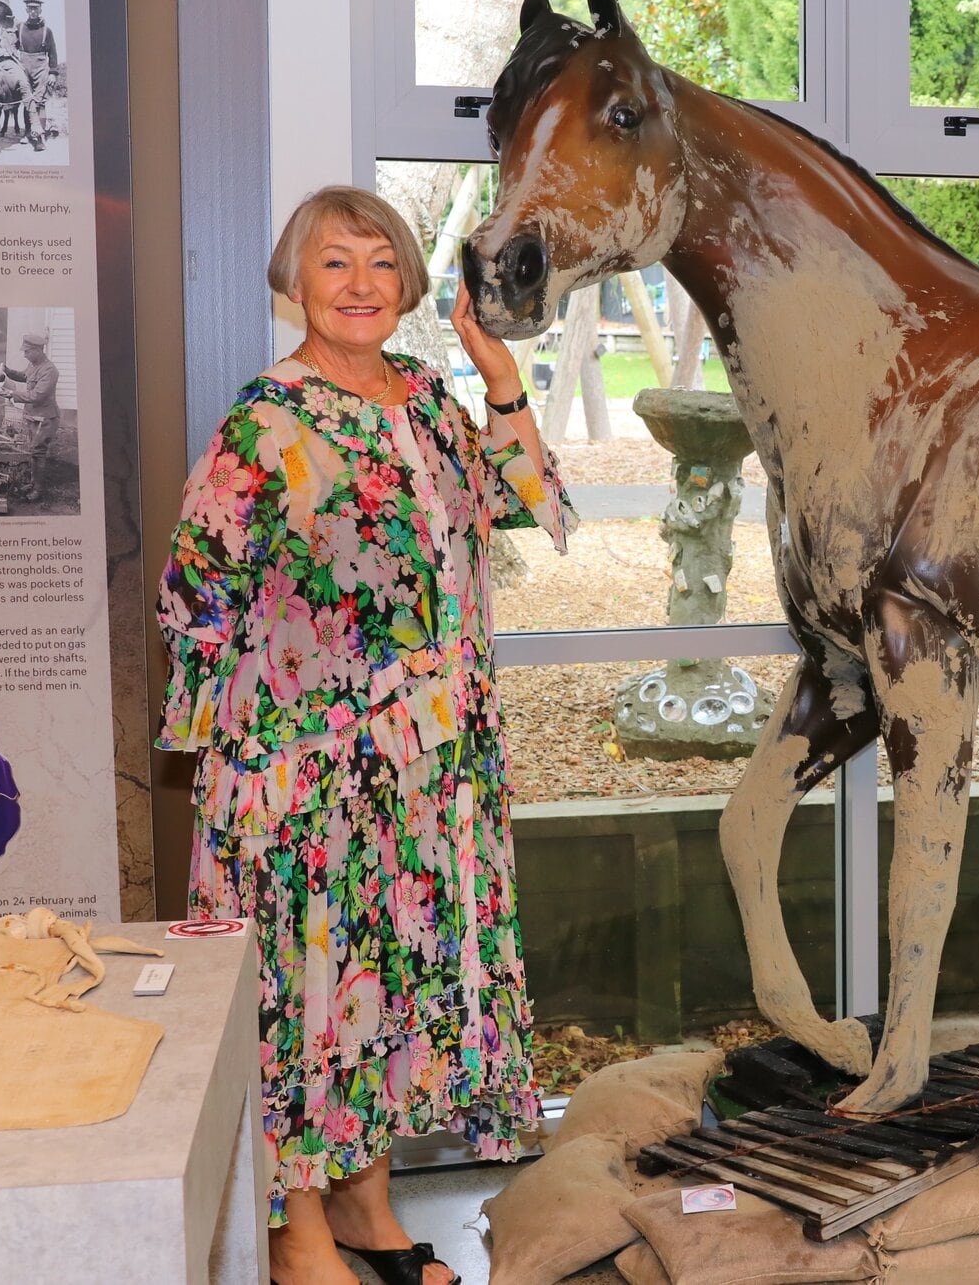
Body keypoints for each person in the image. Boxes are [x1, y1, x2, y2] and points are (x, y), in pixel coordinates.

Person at [155, 186, 573, 1285]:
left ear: (410, 286)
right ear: (295, 283)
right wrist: (238, 756)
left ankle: (369, 1210)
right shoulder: (268, 417)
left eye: (381, 263)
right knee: (303, 987)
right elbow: (193, 589)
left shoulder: (431, 401)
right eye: (334, 264)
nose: (359, 285)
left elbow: (530, 502)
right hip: (302, 775)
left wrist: (498, 379)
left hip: (430, 774)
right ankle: (297, 1235)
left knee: (384, 985)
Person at [0, 329, 59, 497]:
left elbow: (37, 395)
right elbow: (25, 376)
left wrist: (12, 394)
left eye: (27, 351)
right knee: (33, 452)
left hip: (46, 418)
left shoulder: (49, 370)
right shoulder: (34, 365)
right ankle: (33, 484)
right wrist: (9, 372)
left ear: (38, 350)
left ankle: (39, 490)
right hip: (33, 416)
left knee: (38, 452)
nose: (24, 355)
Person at [15, 0, 56, 142]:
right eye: (30, 9)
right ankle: (27, 133)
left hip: (40, 68)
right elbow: (12, 47)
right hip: (23, 67)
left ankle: (40, 135)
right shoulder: (19, 28)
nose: (33, 11)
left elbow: (52, 54)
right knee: (27, 100)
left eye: (36, 9)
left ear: (40, 10)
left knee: (40, 101)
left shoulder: (47, 31)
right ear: (26, 10)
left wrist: (52, 73)